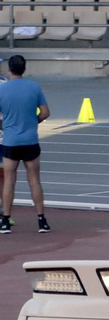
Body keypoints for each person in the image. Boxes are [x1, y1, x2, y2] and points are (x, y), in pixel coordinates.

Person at [0, 55, 50, 234]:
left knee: (9, 181)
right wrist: (32, 122)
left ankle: (5, 220)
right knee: (35, 180)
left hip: (11, 141)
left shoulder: (2, 90)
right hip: (30, 140)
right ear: (24, 69)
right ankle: (41, 220)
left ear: (9, 69)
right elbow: (45, 112)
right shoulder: (34, 87)